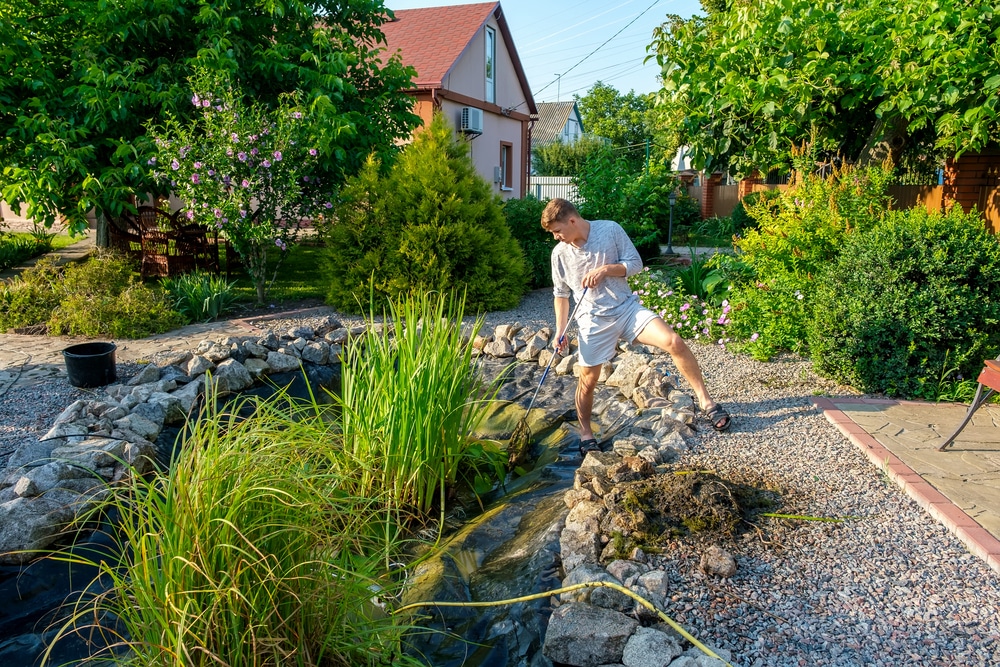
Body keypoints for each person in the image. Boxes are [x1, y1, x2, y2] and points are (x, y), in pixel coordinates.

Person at [541, 198, 731, 455]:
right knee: (588, 379)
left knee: (673, 341)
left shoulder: (609, 230)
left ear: (572, 221)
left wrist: (607, 269)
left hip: (627, 310)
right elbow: (561, 295)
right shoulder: (560, 254)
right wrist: (560, 331)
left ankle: (707, 402)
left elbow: (635, 264)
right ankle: (586, 433)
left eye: (557, 231)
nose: (556, 237)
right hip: (593, 321)